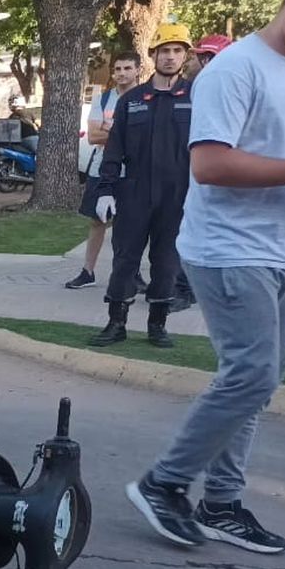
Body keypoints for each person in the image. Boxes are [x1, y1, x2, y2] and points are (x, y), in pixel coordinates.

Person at [126, 0, 285, 555]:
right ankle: (163, 484)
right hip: (230, 249)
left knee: (256, 384)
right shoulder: (235, 69)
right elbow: (210, 165)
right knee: (253, 374)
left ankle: (221, 503)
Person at [87, 24, 195, 349]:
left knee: (166, 261)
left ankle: (157, 325)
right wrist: (106, 189)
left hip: (177, 194)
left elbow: (206, 148)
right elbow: (115, 148)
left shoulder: (196, 97)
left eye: (177, 51)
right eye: (165, 51)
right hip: (134, 193)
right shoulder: (132, 100)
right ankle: (115, 323)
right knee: (125, 259)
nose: (171, 57)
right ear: (153, 56)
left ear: (185, 56)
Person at [66, 52, 142, 290]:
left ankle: (132, 273)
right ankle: (88, 272)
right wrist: (124, 134)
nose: (122, 73)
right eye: (118, 69)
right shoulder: (103, 99)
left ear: (137, 70)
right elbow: (93, 135)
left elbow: (145, 138)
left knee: (130, 225)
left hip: (134, 172)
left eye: (127, 68)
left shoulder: (146, 98)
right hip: (102, 169)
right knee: (97, 221)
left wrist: (111, 132)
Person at [171, 34, 234, 312]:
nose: (198, 62)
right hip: (185, 171)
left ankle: (189, 289)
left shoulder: (228, 91)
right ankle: (184, 287)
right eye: (201, 57)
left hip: (212, 177)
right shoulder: (188, 90)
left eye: (204, 57)